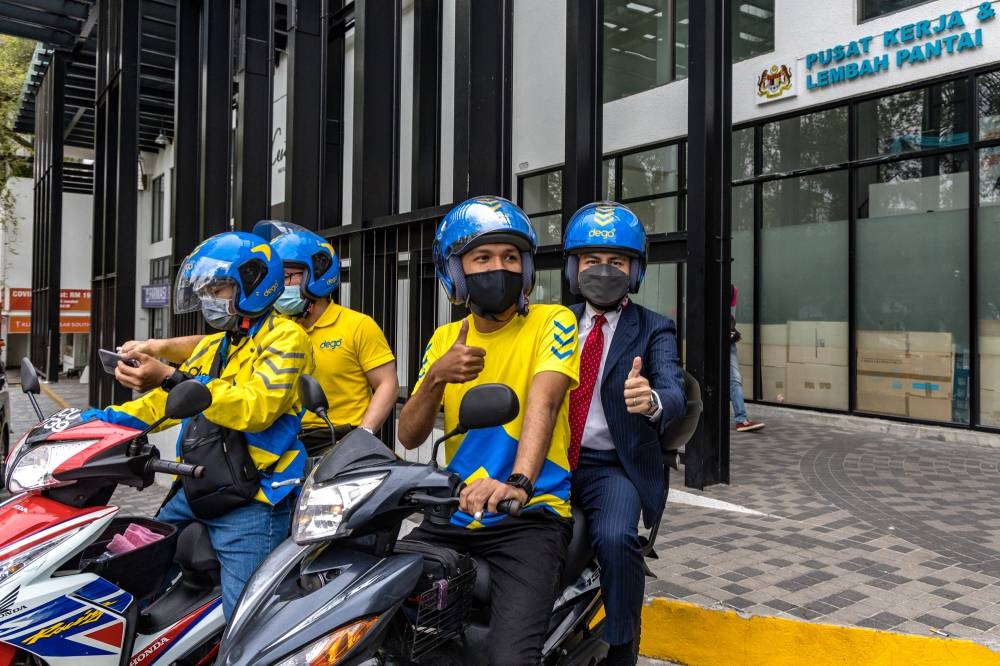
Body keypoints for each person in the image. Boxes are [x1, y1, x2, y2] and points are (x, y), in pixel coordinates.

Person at [83, 231, 311, 619]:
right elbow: (162, 403)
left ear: (255, 283)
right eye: (206, 289)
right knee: (132, 572)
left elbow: (257, 407)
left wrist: (171, 376)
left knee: (246, 620)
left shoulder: (287, 338)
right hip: (197, 484)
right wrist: (99, 423)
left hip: (252, 497)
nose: (209, 298)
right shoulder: (218, 344)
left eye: (219, 288)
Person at [397, 195, 579, 665]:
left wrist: (518, 482)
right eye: (482, 257)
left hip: (526, 521)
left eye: (510, 256)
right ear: (455, 273)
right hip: (451, 517)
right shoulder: (444, 340)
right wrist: (436, 375)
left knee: (509, 660)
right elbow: (410, 436)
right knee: (392, 628)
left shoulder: (550, 322)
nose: (499, 267)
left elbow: (546, 399)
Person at [117, 225, 398, 456]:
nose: (281, 284)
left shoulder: (357, 325)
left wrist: (364, 435)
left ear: (319, 274)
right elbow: (210, 344)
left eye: (288, 276)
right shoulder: (275, 326)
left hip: (335, 441)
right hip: (286, 440)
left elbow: (386, 384)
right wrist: (158, 347)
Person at [562, 201, 686, 666]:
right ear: (575, 268)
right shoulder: (552, 322)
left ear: (635, 271)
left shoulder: (655, 328)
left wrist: (651, 400)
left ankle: (622, 644)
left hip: (609, 467)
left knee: (615, 539)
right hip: (549, 460)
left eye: (617, 261)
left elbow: (674, 389)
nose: (603, 270)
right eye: (592, 260)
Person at [730, 284, 765, 432]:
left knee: (734, 379)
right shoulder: (727, 288)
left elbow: (730, 316)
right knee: (734, 379)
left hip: (727, 340)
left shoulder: (732, 289)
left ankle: (741, 419)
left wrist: (731, 330)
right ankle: (741, 419)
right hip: (718, 339)